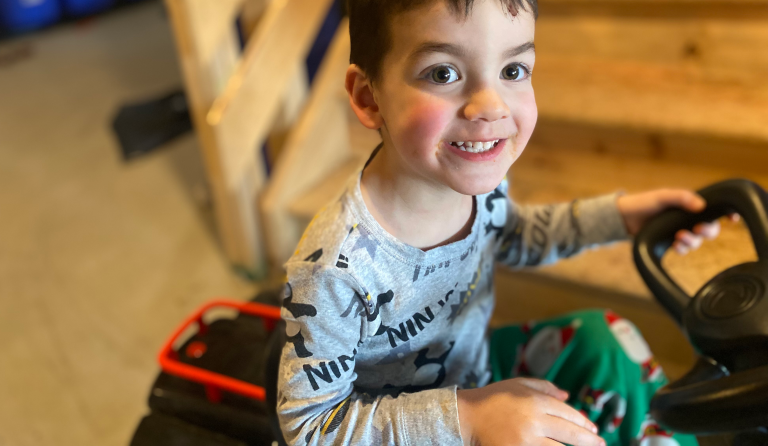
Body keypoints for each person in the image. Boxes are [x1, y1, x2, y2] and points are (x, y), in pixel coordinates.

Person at [276, 1, 719, 444]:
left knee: (606, 343)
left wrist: (621, 218)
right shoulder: (331, 272)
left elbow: (519, 234)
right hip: (403, 431)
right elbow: (310, 427)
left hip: (477, 374)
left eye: (512, 71)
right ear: (369, 98)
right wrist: (469, 422)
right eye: (443, 73)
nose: (490, 106)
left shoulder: (476, 182)